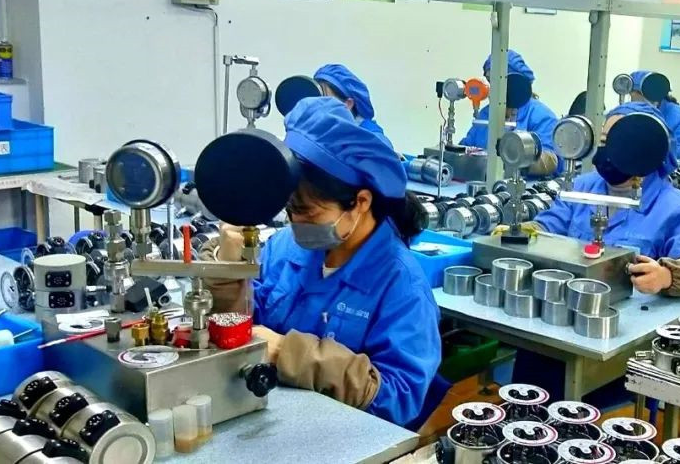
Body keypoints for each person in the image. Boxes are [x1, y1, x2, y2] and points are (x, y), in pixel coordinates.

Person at [201, 96, 441, 425]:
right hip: (264, 418)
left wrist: (289, 353)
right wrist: (227, 272)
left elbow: (399, 397)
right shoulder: (285, 247)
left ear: (360, 202)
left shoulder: (401, 286)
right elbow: (239, 324)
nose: (296, 223)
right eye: (289, 210)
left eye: (307, 212)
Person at [531, 102, 680, 296]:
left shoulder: (676, 209)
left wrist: (666, 276)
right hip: (572, 297)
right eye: (603, 141)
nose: (607, 151)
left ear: (646, 150)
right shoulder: (582, 187)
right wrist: (524, 232)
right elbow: (547, 226)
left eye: (618, 143)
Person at [459, 49, 561, 177]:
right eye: (489, 81)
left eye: (497, 81)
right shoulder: (486, 113)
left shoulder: (540, 115)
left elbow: (550, 161)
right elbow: (467, 147)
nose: (491, 88)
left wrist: (514, 160)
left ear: (516, 83)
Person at [313, 64, 396, 151]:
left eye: (325, 100)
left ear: (348, 104)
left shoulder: (373, 143)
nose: (317, 107)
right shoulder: (323, 134)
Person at [629, 70, 680, 162]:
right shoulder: (627, 112)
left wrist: (655, 150)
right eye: (634, 93)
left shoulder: (678, 116)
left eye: (641, 94)